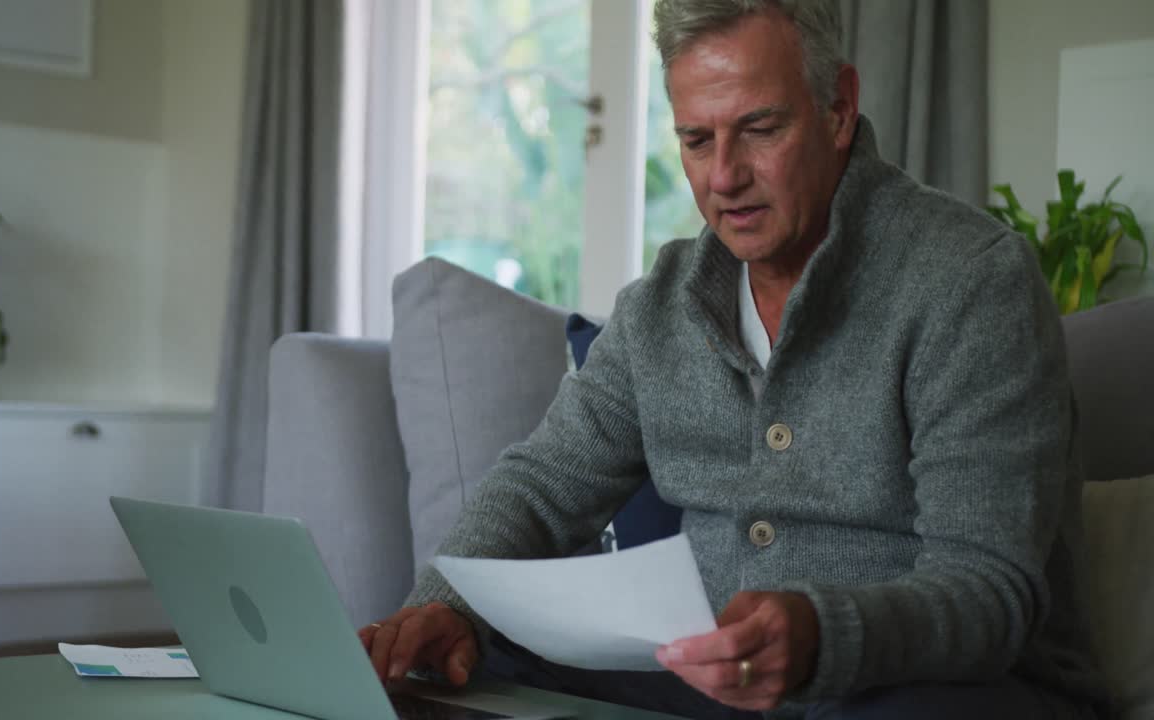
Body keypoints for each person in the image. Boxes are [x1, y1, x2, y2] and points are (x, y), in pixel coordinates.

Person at [359, 1, 1108, 718]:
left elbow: (991, 592)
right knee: (469, 672)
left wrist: (819, 635)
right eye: (695, 139)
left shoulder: (971, 282)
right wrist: (443, 606)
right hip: (712, 684)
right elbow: (544, 484)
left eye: (759, 128)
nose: (723, 176)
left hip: (938, 690)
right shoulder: (661, 304)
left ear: (839, 107)